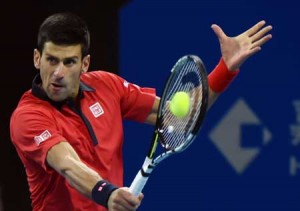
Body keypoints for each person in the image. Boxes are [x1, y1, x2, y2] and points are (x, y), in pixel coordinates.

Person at [9, 12, 272, 211]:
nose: (58, 73)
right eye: (51, 60)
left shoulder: (107, 86)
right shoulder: (28, 116)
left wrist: (224, 69)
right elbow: (67, 164)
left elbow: (180, 115)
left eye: (69, 62)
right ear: (37, 58)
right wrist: (108, 193)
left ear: (85, 64)